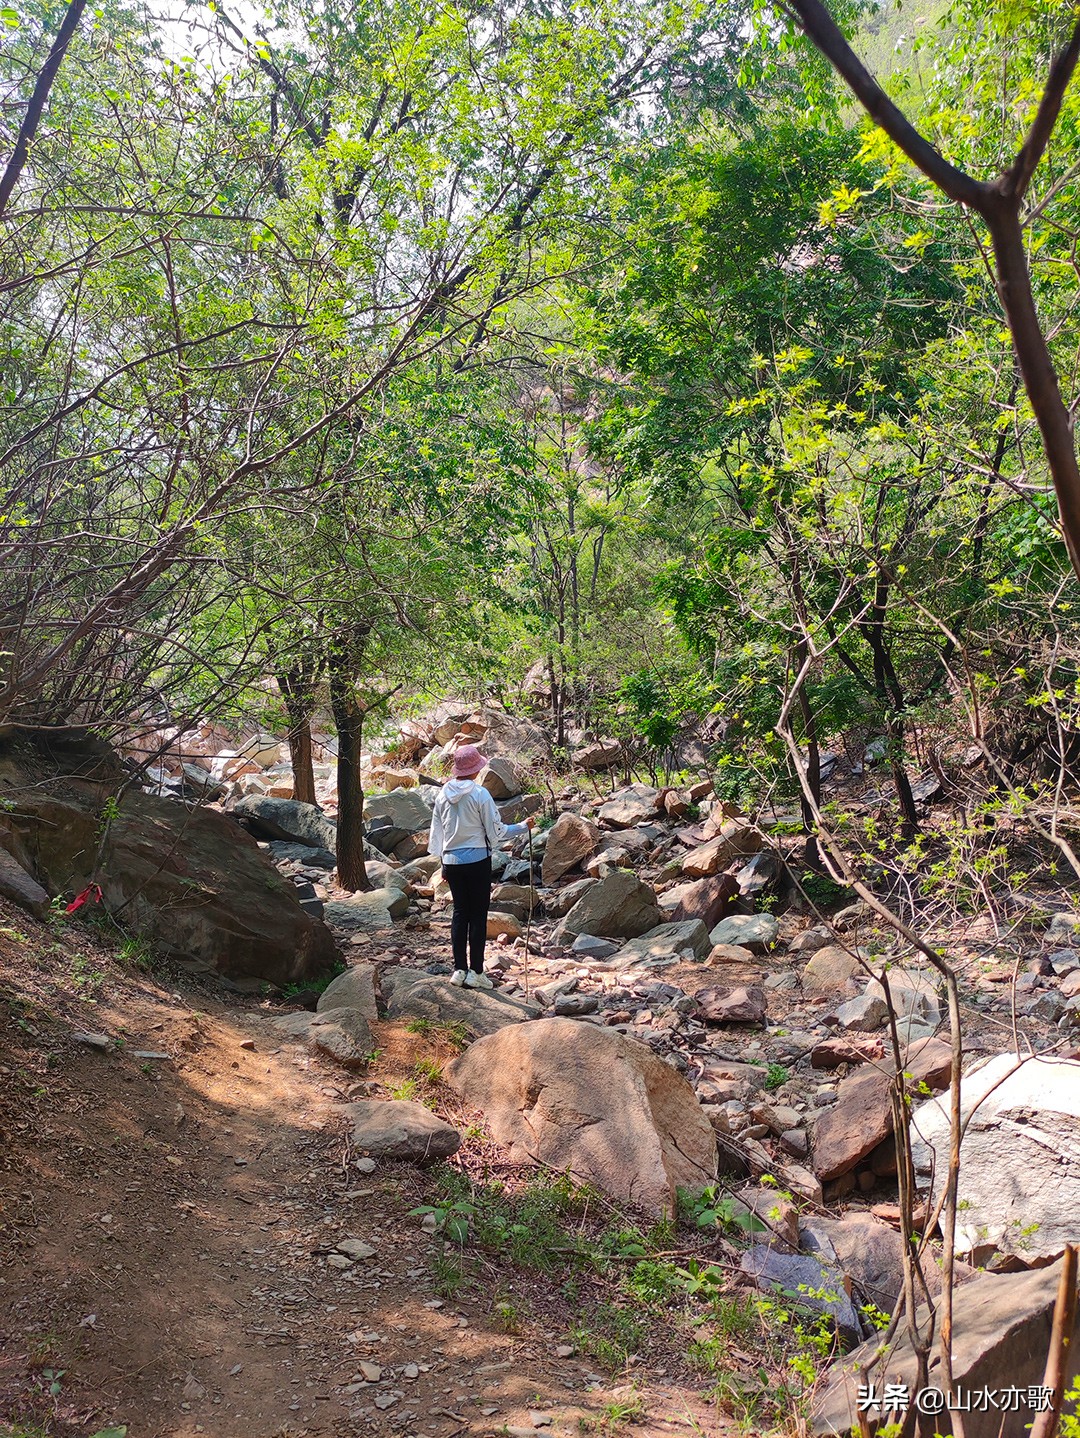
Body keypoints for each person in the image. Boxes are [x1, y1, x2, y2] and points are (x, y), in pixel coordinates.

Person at [428, 744, 534, 988]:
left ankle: (458, 970)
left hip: (452, 862)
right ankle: (476, 972)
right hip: (477, 861)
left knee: (459, 913)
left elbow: (438, 835)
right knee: (478, 915)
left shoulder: (442, 795)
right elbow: (495, 831)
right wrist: (522, 826)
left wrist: (444, 864)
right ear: (476, 770)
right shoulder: (480, 794)